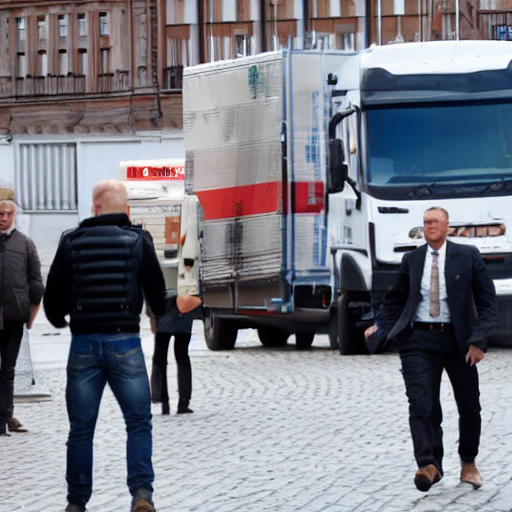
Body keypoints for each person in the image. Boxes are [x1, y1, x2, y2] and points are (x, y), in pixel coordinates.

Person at [44, 179, 168, 512]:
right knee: (138, 422)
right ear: (124, 209)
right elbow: (158, 294)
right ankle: (141, 493)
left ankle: (76, 502)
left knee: (81, 429)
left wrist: (64, 321)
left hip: (84, 344)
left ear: (95, 207)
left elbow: (52, 301)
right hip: (125, 342)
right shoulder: (138, 240)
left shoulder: (71, 242)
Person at [365, 206, 497, 492]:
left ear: (447, 226)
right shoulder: (413, 259)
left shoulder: (467, 256)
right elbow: (395, 300)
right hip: (418, 340)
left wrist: (478, 341)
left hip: (459, 341)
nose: (430, 227)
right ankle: (428, 463)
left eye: (435, 222)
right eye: (426, 223)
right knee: (421, 403)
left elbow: (487, 303)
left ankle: (468, 462)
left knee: (469, 405)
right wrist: (381, 326)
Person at [0, 189, 44, 436]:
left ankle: (5, 416)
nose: (3, 218)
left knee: (8, 370)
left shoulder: (24, 243)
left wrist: (31, 312)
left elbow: (36, 280)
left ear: (14, 215)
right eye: (0, 213)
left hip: (14, 317)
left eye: (8, 214)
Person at [149, 294, 200, 415]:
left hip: (162, 308)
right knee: (182, 356)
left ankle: (163, 401)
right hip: (185, 304)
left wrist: (151, 316)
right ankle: (183, 402)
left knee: (160, 359)